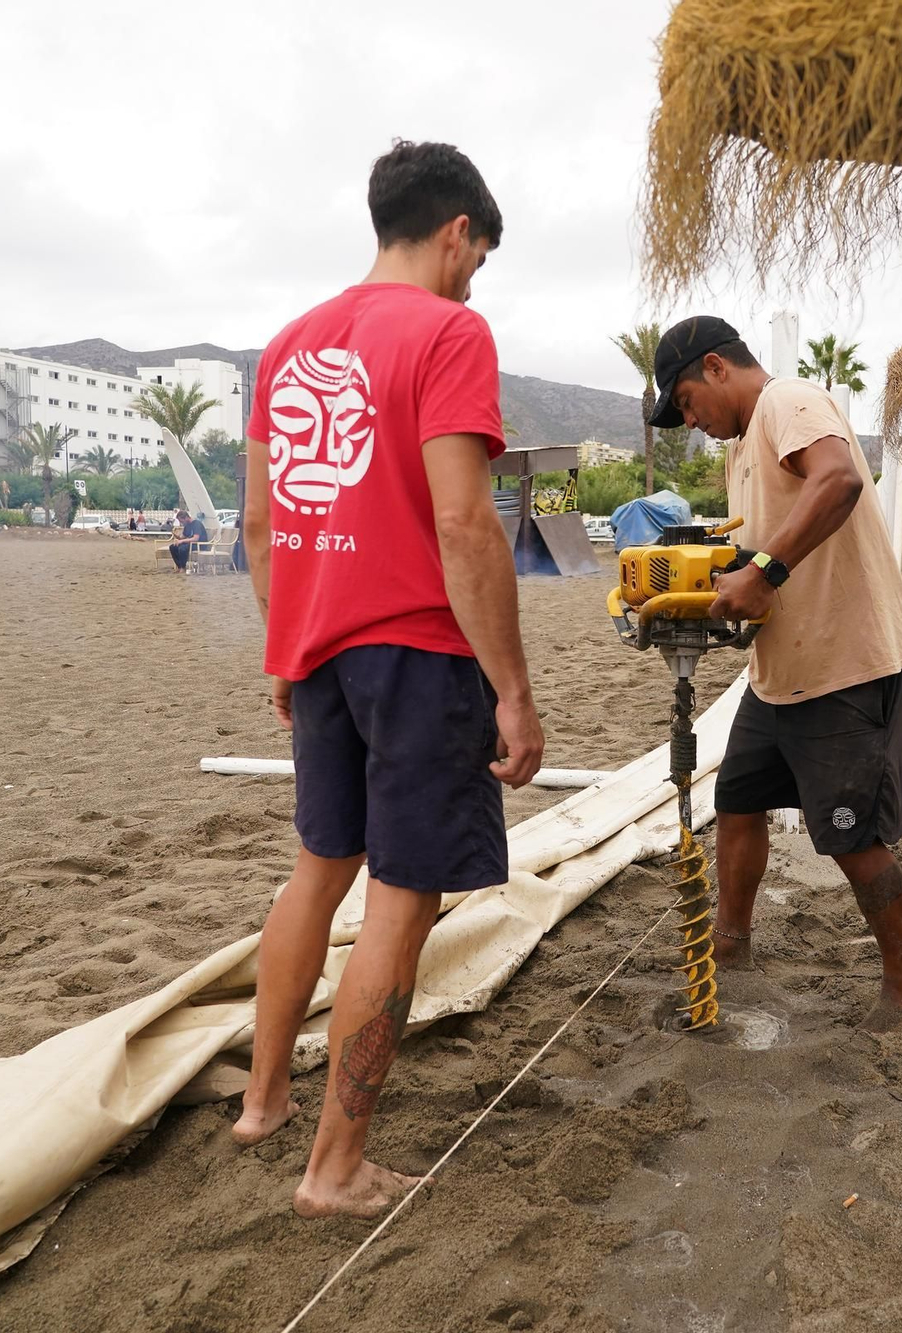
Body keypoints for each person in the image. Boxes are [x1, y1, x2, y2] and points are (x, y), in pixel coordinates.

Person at [234, 139, 543, 1218]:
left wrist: (286, 649)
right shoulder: (450, 329)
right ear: (457, 229)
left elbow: (262, 527)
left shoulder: (284, 344)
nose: (472, 281)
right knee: (400, 903)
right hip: (418, 650)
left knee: (317, 869)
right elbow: (463, 521)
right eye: (477, 257)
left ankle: (263, 1103)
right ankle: (335, 1167)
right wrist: (511, 685)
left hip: (317, 649)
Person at [650, 317, 902, 1030]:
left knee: (850, 835)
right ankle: (732, 941)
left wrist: (765, 572)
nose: (691, 421)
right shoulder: (746, 446)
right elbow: (758, 554)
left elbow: (836, 480)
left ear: (715, 366)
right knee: (738, 803)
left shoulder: (788, 402)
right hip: (780, 671)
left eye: (685, 401)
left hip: (844, 664)